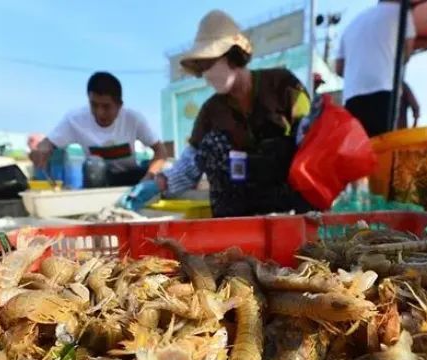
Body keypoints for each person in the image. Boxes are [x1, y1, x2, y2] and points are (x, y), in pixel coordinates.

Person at [121, 10, 313, 217]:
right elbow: (190, 163)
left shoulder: (283, 85)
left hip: (288, 202)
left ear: (232, 55)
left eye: (210, 63)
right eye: (202, 67)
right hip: (238, 208)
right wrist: (158, 184)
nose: (207, 74)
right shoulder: (211, 112)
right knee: (212, 143)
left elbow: (311, 141)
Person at [30, 72, 167, 186]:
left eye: (106, 107)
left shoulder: (134, 119)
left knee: (162, 176)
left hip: (132, 176)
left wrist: (149, 177)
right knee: (94, 165)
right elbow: (48, 143)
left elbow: (161, 151)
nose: (99, 112)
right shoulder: (75, 119)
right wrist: (41, 150)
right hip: (98, 178)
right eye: (94, 105)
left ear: (119, 105)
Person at [335, 0, 416, 137]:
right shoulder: (401, 13)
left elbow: (338, 68)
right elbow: (407, 52)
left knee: (360, 149)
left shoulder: (353, 23)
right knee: (386, 147)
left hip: (352, 97)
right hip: (384, 92)